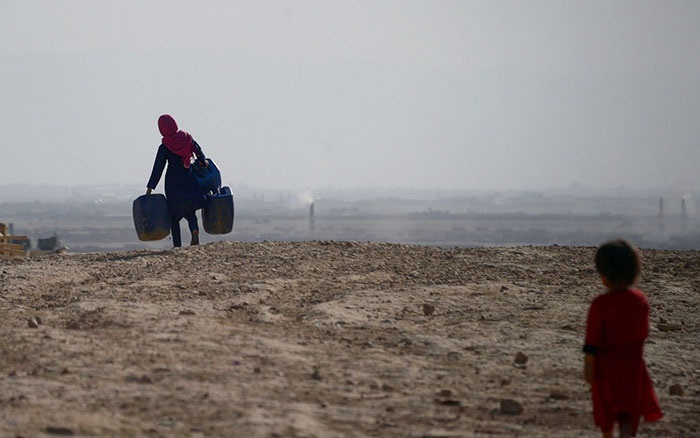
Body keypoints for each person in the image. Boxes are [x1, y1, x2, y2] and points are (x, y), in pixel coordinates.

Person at [583, 238, 663, 437]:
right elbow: (642, 334)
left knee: (606, 417)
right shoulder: (640, 302)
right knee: (629, 414)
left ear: (603, 275)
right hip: (633, 368)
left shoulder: (600, 305)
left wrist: (588, 366)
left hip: (605, 370)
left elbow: (592, 341)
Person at [146, 114, 208, 247]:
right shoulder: (186, 138)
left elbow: (158, 168)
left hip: (173, 182)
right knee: (190, 209)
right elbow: (199, 152)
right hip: (188, 176)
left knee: (174, 215)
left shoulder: (165, 146)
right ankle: (195, 230)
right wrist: (203, 161)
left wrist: (150, 187)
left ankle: (177, 245)